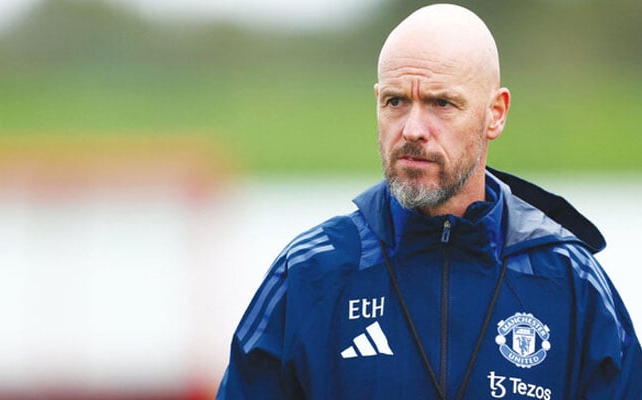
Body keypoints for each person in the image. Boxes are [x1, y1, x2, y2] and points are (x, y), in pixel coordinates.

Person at [216, 3, 642, 399]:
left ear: (495, 113)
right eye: (396, 102)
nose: (413, 129)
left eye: (441, 103)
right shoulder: (312, 272)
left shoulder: (569, 281)